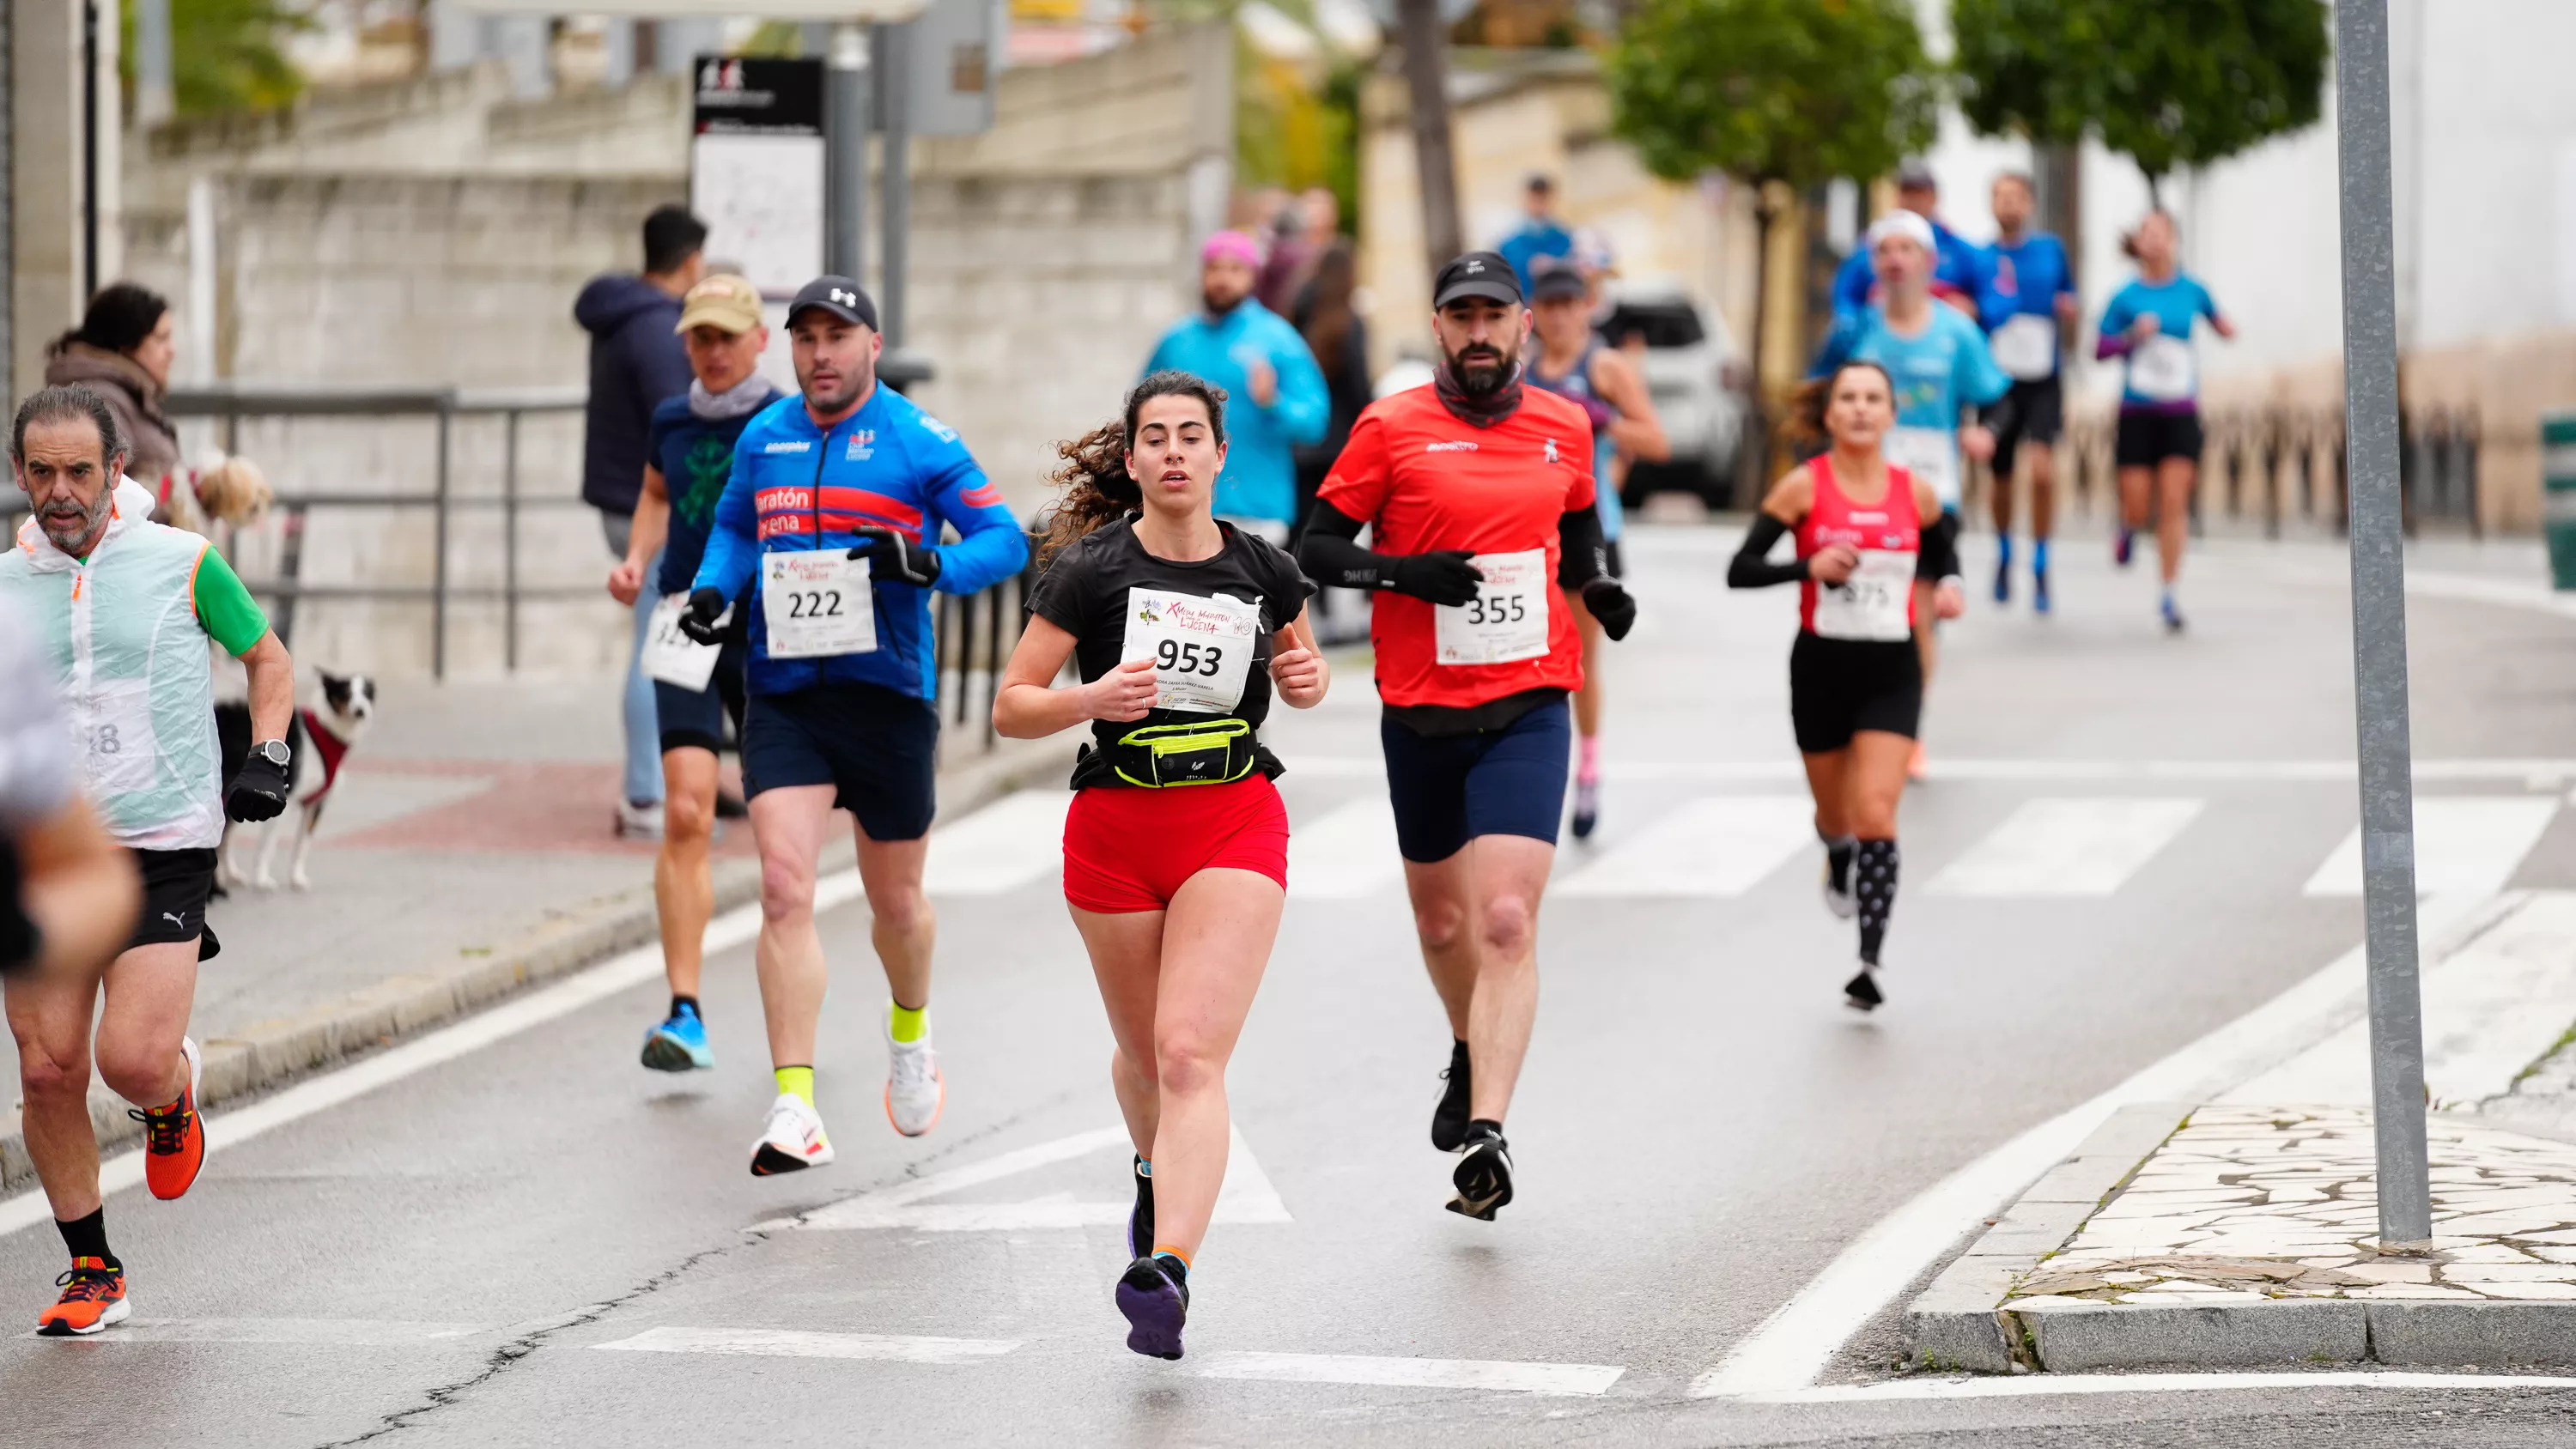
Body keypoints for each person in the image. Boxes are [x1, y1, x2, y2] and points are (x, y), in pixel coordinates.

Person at [995, 371, 1327, 1361]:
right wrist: (1090, 698)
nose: (1175, 451)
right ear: (1133, 458)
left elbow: (1302, 677)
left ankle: (1167, 1267)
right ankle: (1153, 1168)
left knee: (1189, 1053)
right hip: (1115, 830)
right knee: (1144, 1057)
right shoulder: (1090, 571)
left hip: (1232, 820)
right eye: (1156, 437)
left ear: (1222, 454)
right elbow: (1014, 702)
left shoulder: (1266, 569)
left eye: (1192, 435)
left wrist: (1304, 678)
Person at [1299, 251, 1637, 1220]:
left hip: (1530, 701)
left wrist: (1599, 585)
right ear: (1439, 328)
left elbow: (1577, 529)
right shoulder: (1390, 427)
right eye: (1463, 317)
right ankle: (1466, 1041)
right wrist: (1405, 573)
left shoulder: (1563, 425)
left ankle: (1488, 1129)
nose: (1480, 332)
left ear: (1524, 324)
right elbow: (1316, 550)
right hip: (1420, 711)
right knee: (1443, 924)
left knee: (1505, 920)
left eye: (1496, 315)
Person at [675, 276, 1030, 1173]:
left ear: (873, 343)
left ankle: (910, 1029)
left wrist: (926, 561)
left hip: (888, 697)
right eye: (806, 338)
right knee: (786, 888)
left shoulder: (918, 438)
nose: (820, 353)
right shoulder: (766, 437)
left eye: (838, 336)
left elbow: (1005, 543)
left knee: (897, 903)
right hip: (785, 694)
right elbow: (734, 531)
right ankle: (794, 1103)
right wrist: (719, 589)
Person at [1, 385, 297, 1335]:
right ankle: (93, 1267)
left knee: (128, 1058)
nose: (59, 491)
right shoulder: (4, 587)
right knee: (47, 1071)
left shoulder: (184, 561)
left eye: (78, 470)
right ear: (19, 475)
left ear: (117, 471)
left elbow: (269, 658)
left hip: (163, 840)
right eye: (39, 471)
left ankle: (169, 1091)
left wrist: (270, 752)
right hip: (42, 849)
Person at [1726, 362, 1963, 1011]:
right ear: (1829, 415)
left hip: (1893, 670)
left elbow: (1945, 553)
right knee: (1837, 816)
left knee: (1877, 813)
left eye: (1873, 399)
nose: (1860, 409)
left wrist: (1949, 588)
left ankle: (1868, 960)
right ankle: (1835, 850)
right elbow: (1739, 570)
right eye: (1848, 399)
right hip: (1821, 671)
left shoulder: (1916, 492)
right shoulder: (1803, 487)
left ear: (1891, 415)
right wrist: (1808, 566)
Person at [607, 274, 782, 1072]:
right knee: (685, 811)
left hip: (769, 627)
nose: (711, 351)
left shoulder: (786, 421)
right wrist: (638, 557)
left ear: (758, 341)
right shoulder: (671, 418)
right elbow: (654, 492)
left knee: (783, 835)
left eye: (725, 336)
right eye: (699, 337)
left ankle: (795, 988)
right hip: (685, 619)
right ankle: (685, 1012)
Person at [1811, 211, 2008, 780]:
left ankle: (1907, 730)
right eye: (1885, 251)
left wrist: (1985, 432)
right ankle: (1859, 718)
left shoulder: (1956, 332)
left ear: (1928, 262)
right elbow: (1816, 391)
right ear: (1875, 265)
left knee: (1917, 617)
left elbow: (1997, 397)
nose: (1895, 259)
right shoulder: (1856, 331)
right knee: (1859, 614)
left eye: (1906, 249)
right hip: (1856, 492)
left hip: (1928, 496)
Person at [577, 204, 708, 840]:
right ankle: (648, 798)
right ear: (689, 261)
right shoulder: (658, 329)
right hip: (648, 508)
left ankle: (662, 789)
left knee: (656, 640)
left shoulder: (621, 315)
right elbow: (677, 424)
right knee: (657, 649)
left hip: (617, 499)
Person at [1523, 264, 1667, 840]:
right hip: (1528, 529)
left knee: (1579, 662)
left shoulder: (1605, 366)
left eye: (1569, 304)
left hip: (1589, 531)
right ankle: (1537, 765)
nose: (1559, 316)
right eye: (1550, 305)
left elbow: (1657, 439)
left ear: (1587, 307)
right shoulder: (1524, 370)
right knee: (1528, 656)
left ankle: (1586, 769)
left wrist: (1606, 424)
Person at [1141, 233, 1330, 543]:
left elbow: (1315, 422)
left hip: (1256, 512)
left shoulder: (1278, 339)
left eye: (1234, 269)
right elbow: (1139, 416)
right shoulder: (1176, 342)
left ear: (1252, 276)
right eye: (1214, 268)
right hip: (1180, 508)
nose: (1222, 279)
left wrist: (1273, 402)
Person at [2097, 209, 2234, 634]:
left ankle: (2169, 593)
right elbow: (2099, 349)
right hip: (2137, 412)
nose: (2155, 241)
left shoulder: (2192, 290)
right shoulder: (2125, 297)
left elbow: (2218, 321)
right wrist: (2130, 337)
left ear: (2174, 240)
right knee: (2139, 504)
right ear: (2138, 244)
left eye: (2162, 233)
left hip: (2180, 411)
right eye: (2147, 234)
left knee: (2174, 501)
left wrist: (2226, 328)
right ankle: (2128, 526)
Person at [2, 595, 142, 990]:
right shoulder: (13, 575)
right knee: (47, 1052)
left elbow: (268, 657)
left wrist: (18, 932)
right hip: (69, 812)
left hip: (158, 833)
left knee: (136, 1051)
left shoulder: (190, 563)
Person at [1976, 171, 2080, 612]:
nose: (2009, 205)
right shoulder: (1980, 258)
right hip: (1997, 380)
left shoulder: (2050, 251)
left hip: (2043, 377)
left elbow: (2070, 296)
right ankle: (2003, 550)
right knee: (1999, 476)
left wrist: (2068, 309)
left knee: (2042, 470)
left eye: (2016, 197)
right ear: (1991, 205)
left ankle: (2040, 557)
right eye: (2000, 197)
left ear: (2030, 204)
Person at [44, 283, 181, 493]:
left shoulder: (125, 392)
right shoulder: (100, 399)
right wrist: (178, 496)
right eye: (162, 338)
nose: (172, 351)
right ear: (127, 343)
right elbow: (108, 495)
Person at [1830, 164, 1985, 318]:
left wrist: (1973, 309)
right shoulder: (1874, 242)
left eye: (1919, 193)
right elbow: (1845, 294)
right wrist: (1857, 325)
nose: (1913, 201)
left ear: (1933, 197)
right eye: (1907, 193)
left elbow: (1986, 291)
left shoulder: (1958, 249)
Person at [1496, 175, 1577, 297]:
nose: (1539, 205)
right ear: (1526, 198)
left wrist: (1556, 265)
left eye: (1543, 199)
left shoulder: (1565, 239)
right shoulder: (1509, 243)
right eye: (1535, 199)